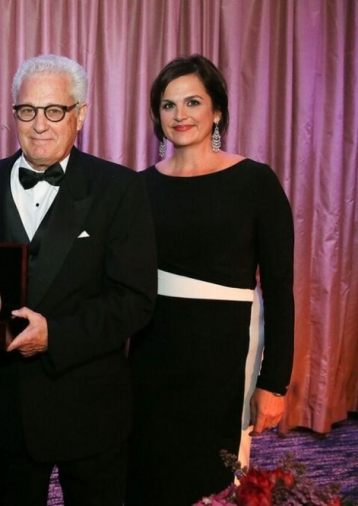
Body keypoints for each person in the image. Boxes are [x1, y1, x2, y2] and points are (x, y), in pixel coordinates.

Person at [0, 54, 157, 506]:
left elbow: (135, 299)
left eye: (55, 111)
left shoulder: (120, 189)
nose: (40, 124)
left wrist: (56, 336)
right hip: (8, 407)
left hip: (89, 405)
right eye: (27, 110)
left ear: (80, 115)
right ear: (14, 114)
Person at [126, 54, 295, 505]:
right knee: (148, 471)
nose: (179, 116)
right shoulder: (138, 188)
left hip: (224, 353)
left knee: (212, 479)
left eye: (192, 102)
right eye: (168, 105)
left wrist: (273, 382)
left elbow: (280, 288)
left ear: (217, 110)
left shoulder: (255, 181)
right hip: (151, 354)